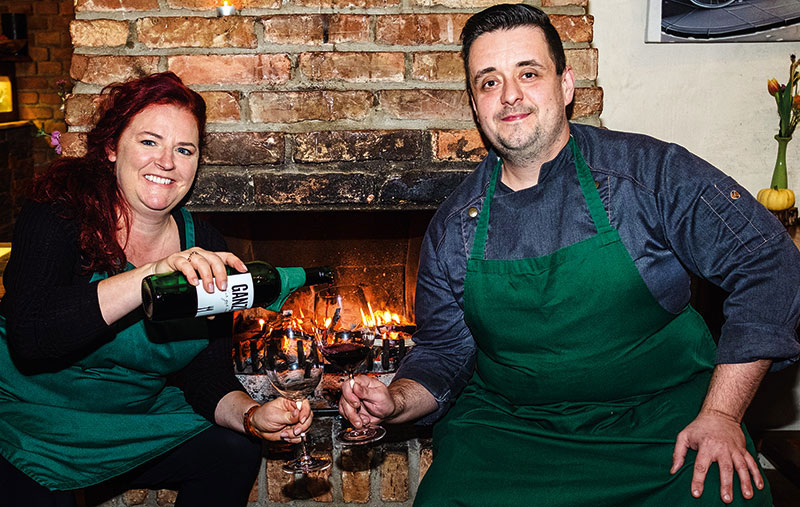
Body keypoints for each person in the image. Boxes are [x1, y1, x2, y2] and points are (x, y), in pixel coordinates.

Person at [339, 4, 800, 506]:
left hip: (661, 421)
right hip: (513, 432)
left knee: (722, 495)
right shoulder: (454, 225)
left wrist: (722, 414)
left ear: (566, 85)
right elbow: (443, 352)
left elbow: (765, 259)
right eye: (489, 82)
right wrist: (395, 399)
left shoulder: (648, 174)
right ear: (475, 104)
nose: (510, 95)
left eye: (529, 73)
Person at [0, 72, 312, 507]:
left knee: (235, 450)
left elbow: (206, 374)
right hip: (30, 419)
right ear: (112, 148)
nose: (167, 162)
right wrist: (147, 278)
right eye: (149, 142)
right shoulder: (58, 214)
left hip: (131, 418)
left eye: (184, 149)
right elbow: (31, 338)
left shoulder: (206, 244)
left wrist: (252, 416)